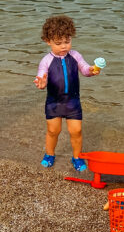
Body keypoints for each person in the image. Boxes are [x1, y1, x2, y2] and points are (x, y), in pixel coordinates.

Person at [33, 15, 101, 171]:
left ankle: (77, 157)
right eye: (58, 43)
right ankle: (49, 154)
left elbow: (84, 69)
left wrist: (91, 70)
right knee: (53, 131)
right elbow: (41, 75)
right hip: (54, 102)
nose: (63, 46)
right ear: (47, 41)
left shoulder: (75, 56)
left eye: (67, 41)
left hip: (72, 102)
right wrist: (41, 83)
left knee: (76, 131)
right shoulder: (46, 60)